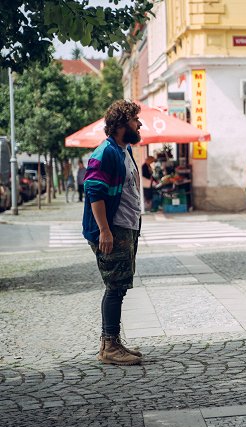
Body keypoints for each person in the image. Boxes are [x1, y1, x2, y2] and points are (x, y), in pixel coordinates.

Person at [82, 100, 144, 365]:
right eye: (134, 120)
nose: (139, 124)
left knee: (120, 286)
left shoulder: (123, 149)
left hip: (126, 227)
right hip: (113, 229)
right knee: (115, 286)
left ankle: (112, 342)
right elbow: (93, 190)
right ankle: (109, 346)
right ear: (120, 125)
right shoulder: (105, 152)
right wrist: (105, 231)